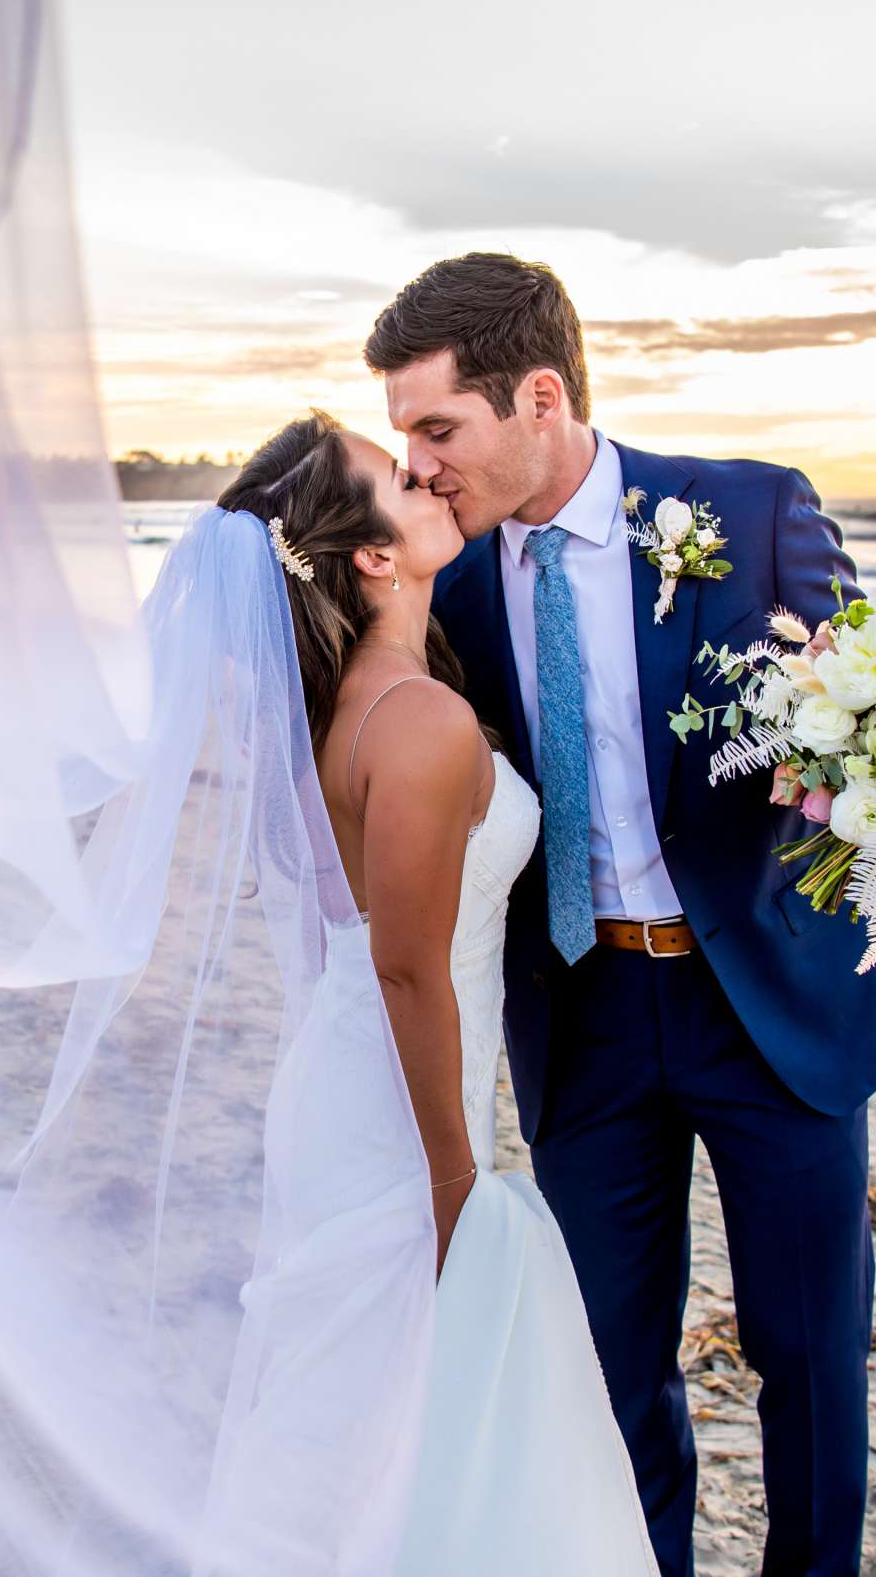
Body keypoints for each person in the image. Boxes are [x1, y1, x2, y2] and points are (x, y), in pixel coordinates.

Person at [370, 253, 876, 1577]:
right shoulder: (447, 588)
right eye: (405, 439)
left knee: (809, 1364)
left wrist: (871, 778)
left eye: (438, 428)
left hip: (773, 1011)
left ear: (540, 397)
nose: (421, 465)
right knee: (609, 1374)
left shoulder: (754, 512)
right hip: (582, 1014)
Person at [216, 412, 659, 1575]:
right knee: (372, 1398)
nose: (428, 480)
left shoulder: (377, 695)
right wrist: (456, 1178)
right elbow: (405, 963)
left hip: (369, 1072)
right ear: (371, 556)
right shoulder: (415, 717)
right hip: (391, 1107)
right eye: (399, 481)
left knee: (374, 1412)